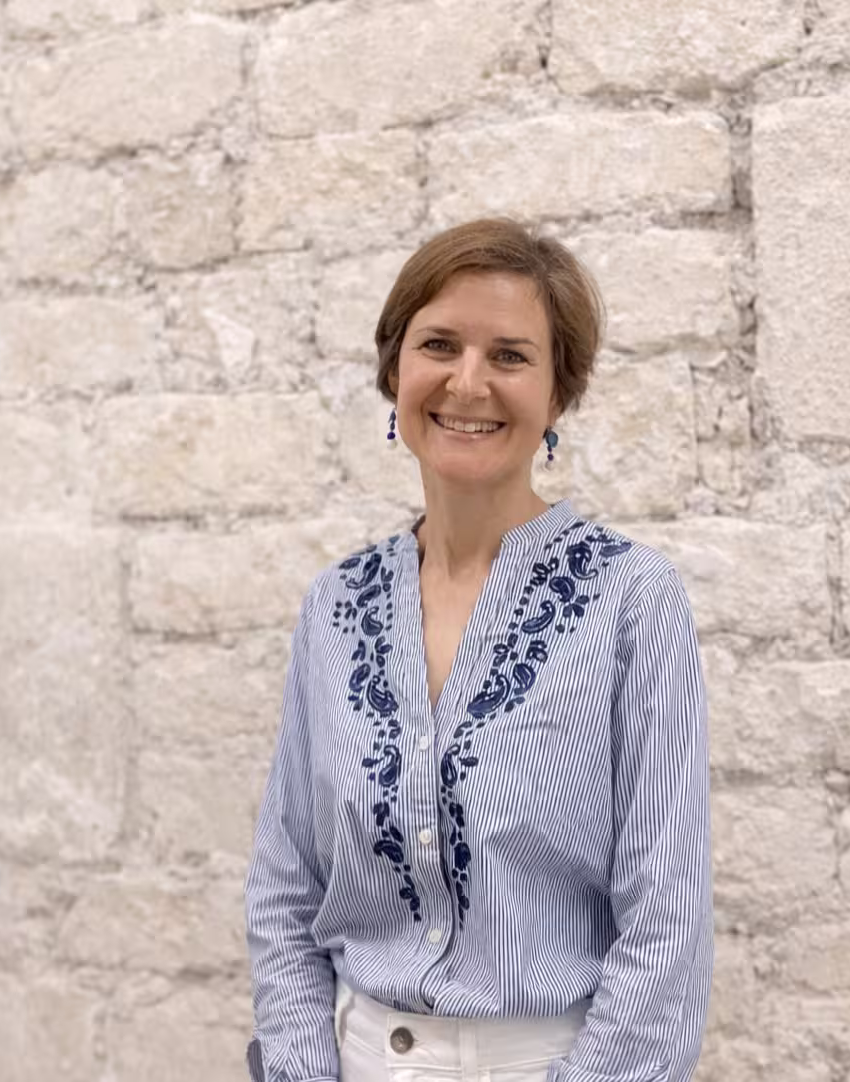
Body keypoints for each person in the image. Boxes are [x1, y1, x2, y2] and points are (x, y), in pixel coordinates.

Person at [245, 218, 713, 1082]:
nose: (468, 382)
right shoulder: (334, 606)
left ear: (558, 392)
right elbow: (285, 889)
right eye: (440, 344)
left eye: (510, 355)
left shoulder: (631, 602)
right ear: (396, 373)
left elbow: (667, 921)